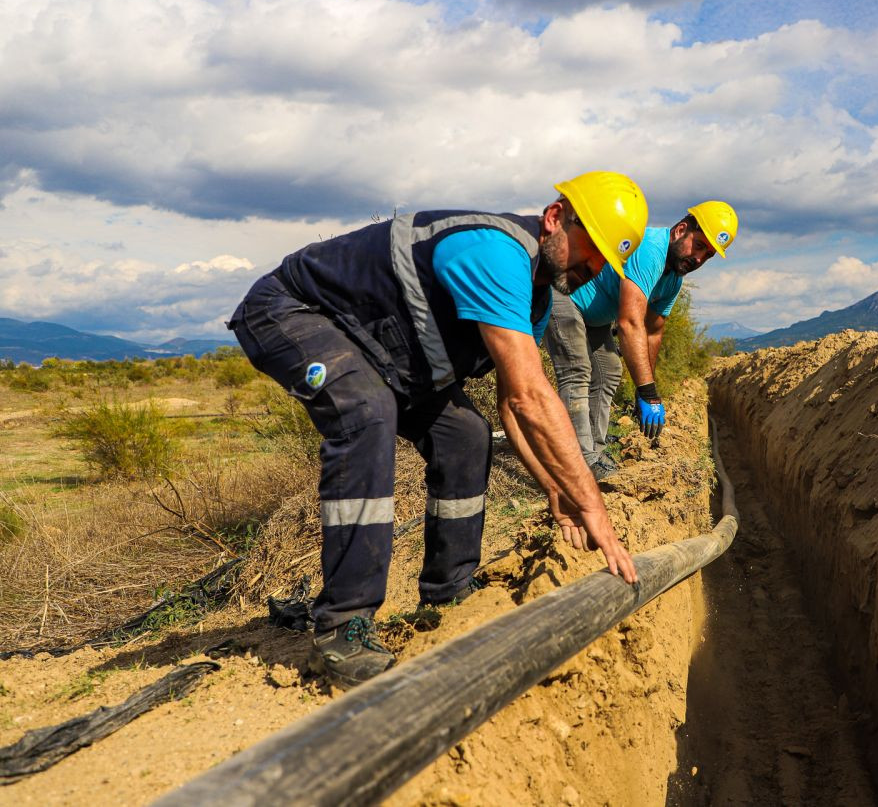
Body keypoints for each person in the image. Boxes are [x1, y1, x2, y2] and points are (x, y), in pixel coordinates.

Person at [227, 171, 647, 688]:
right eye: (593, 247)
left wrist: (556, 490)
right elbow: (531, 396)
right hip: (291, 312)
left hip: (380, 352)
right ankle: (342, 625)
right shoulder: (495, 252)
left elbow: (511, 408)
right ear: (556, 218)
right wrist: (593, 505)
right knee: (366, 413)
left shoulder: (536, 298)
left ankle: (448, 597)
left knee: (466, 434)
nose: (595, 266)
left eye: (609, 260)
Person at [545, 201, 738, 479]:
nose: (699, 259)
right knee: (577, 371)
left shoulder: (673, 280)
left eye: (707, 255)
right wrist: (649, 393)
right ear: (681, 230)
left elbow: (653, 331)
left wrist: (646, 386)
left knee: (609, 370)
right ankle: (580, 462)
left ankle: (594, 450)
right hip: (565, 297)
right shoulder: (651, 250)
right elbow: (629, 323)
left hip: (593, 317)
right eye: (698, 246)